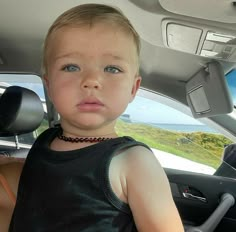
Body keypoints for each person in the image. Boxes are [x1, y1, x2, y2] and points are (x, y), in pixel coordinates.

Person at [9, 3, 184, 231]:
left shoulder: (135, 162)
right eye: (71, 67)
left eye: (112, 69)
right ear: (49, 86)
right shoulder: (45, 141)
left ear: (133, 88)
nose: (91, 80)